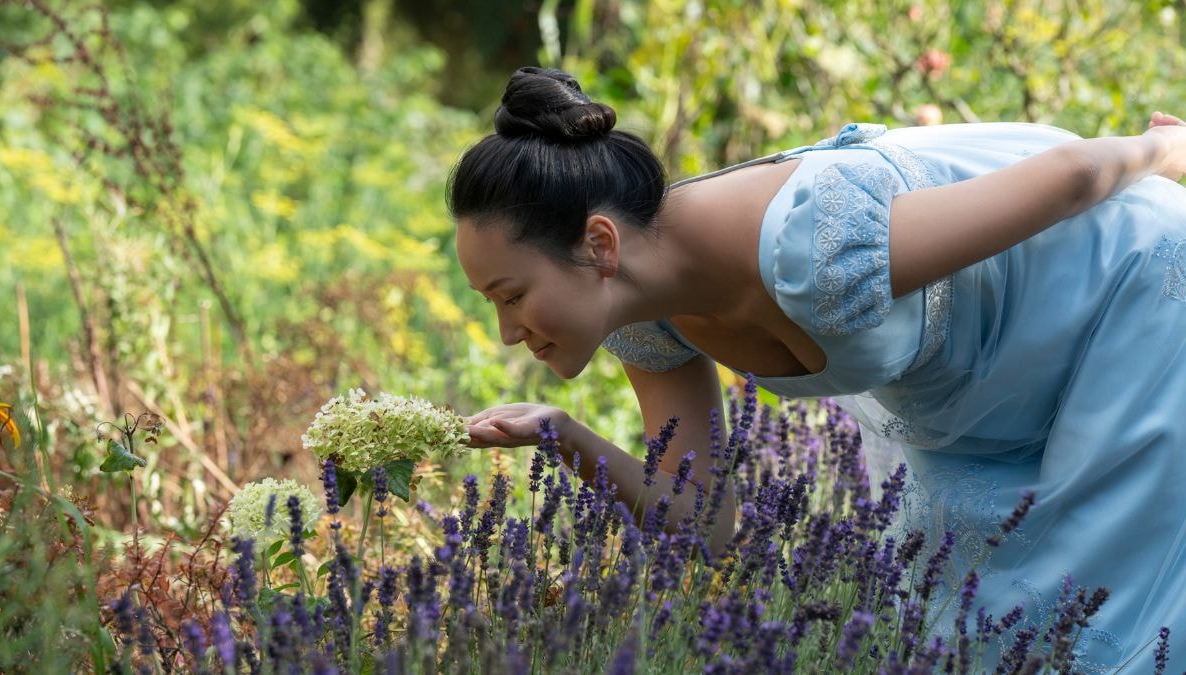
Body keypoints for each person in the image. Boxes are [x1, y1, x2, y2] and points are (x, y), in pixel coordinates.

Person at [450, 66, 1186, 669]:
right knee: (963, 626)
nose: (508, 332)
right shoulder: (643, 320)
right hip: (998, 384)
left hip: (1134, 290)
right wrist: (561, 435)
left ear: (600, 246)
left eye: (511, 296)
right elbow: (704, 525)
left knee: (1107, 607)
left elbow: (1071, 178)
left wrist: (1163, 153)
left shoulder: (811, 243)